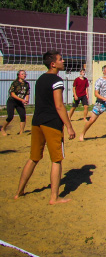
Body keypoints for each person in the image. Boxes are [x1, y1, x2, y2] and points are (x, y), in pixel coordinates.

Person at [14, 50, 76, 204]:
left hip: (37, 122)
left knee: (33, 158)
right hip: (52, 124)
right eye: (61, 59)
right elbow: (59, 106)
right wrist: (69, 126)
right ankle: (54, 198)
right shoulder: (57, 80)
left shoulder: (40, 79)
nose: (63, 61)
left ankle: (19, 192)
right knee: (56, 160)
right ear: (53, 64)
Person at [1, 70, 30, 136]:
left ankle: (21, 132)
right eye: (22, 74)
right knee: (10, 116)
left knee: (23, 116)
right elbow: (12, 94)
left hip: (19, 102)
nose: (24, 75)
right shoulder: (15, 83)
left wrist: (27, 100)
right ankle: (3, 128)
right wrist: (22, 100)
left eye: (25, 74)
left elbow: (27, 93)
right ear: (19, 75)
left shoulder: (26, 84)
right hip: (12, 101)